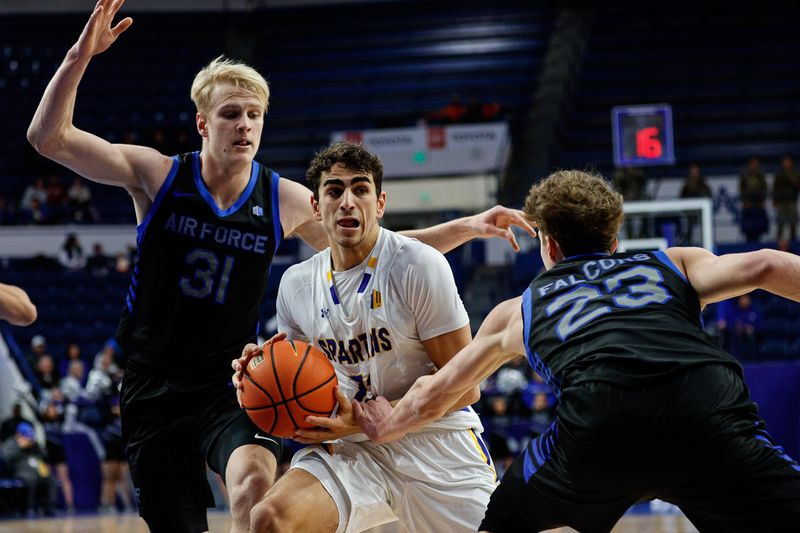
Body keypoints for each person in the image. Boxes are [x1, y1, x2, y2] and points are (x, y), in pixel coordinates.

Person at [27, 2, 533, 530]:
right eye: (230, 114)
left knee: (252, 489)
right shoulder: (156, 176)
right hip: (151, 383)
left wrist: (467, 227)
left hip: (233, 382)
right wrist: (77, 57)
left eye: (254, 115)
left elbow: (373, 247)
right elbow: (48, 138)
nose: (244, 125)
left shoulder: (284, 199)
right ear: (203, 122)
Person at [354, 169, 800, 532]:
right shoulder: (672, 262)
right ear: (614, 241)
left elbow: (440, 392)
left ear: (548, 245)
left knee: (501, 522)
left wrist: (387, 426)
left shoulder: (518, 310)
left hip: (600, 427)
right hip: (705, 409)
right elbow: (768, 264)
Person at [232, 142, 497, 532]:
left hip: (436, 445)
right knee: (269, 520)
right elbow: (294, 384)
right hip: (352, 453)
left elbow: (467, 388)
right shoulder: (296, 284)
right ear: (316, 208)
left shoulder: (418, 265)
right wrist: (256, 375)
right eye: (335, 190)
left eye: (360, 188)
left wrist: (361, 421)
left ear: (380, 203)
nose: (348, 201)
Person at [0, 421, 57, 517]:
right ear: (18, 434)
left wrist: (36, 447)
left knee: (51, 480)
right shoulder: (10, 443)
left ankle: (50, 507)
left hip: (36, 471)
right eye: (25, 435)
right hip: (20, 471)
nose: (27, 438)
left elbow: (44, 456)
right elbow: (6, 458)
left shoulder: (33, 444)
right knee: (31, 480)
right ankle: (28, 508)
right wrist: (20, 447)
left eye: (28, 436)